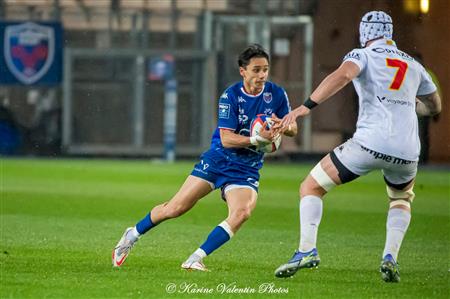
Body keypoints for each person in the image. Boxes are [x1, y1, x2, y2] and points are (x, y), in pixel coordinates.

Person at [273, 11, 441, 282]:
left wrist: (306, 107)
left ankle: (306, 250)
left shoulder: (361, 55)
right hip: (408, 151)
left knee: (311, 186)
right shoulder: (414, 65)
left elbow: (341, 76)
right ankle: (390, 258)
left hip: (370, 144)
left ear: (365, 33)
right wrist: (411, 105)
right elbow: (435, 106)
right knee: (400, 199)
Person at [112, 44, 297, 271]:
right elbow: (227, 138)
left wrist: (283, 127)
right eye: (256, 70)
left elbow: (293, 127)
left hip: (246, 168)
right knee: (176, 208)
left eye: (265, 70)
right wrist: (257, 139)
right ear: (243, 71)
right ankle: (132, 234)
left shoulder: (276, 94)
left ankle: (195, 258)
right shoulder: (230, 96)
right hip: (219, 160)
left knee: (242, 213)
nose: (261, 75)